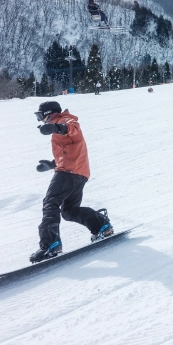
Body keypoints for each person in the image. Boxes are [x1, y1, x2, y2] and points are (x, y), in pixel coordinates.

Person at [30, 101, 113, 263]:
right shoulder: (60, 127)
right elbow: (69, 151)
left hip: (68, 172)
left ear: (50, 113)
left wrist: (55, 128)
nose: (41, 121)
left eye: (41, 116)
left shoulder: (66, 120)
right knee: (69, 211)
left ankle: (50, 244)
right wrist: (52, 164)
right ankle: (101, 225)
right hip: (78, 172)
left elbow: (72, 127)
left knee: (50, 202)